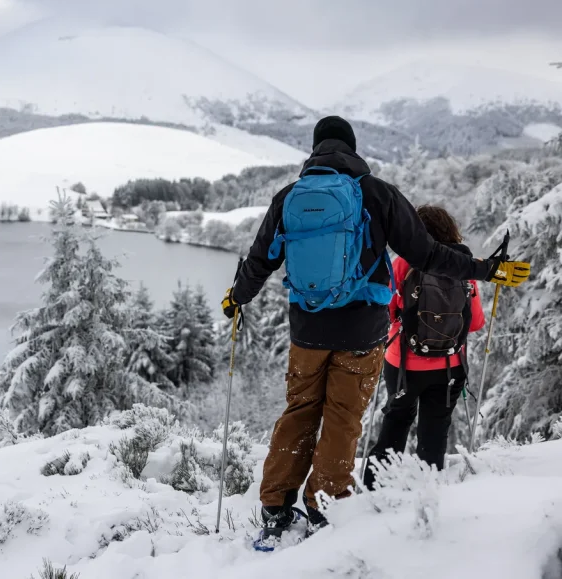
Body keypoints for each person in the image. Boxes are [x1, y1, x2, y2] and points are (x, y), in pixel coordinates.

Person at [221, 115, 530, 547]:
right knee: (343, 418)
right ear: (352, 147)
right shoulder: (377, 193)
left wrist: (237, 298)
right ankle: (323, 503)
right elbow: (426, 254)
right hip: (362, 332)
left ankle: (275, 506)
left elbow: (260, 260)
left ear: (315, 149)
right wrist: (482, 270)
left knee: (300, 410)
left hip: (306, 330)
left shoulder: (289, 197)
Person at [361, 206, 485, 489]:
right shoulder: (463, 265)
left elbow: (386, 313)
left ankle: (374, 488)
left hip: (403, 364)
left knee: (396, 421)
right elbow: (475, 322)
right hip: (450, 366)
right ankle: (427, 491)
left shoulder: (402, 263)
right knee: (435, 428)